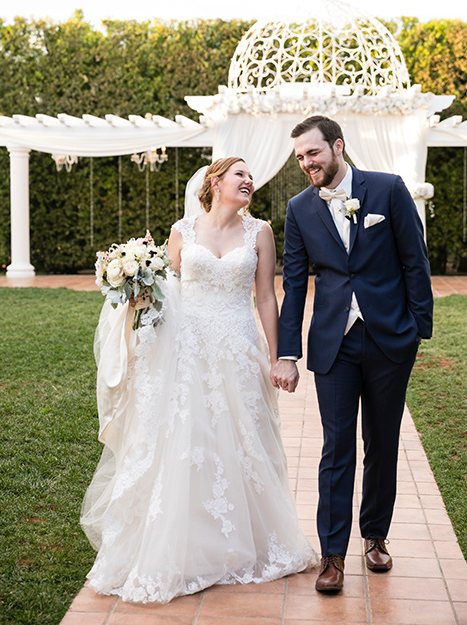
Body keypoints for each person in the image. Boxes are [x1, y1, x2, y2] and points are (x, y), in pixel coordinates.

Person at [81, 156, 318, 603]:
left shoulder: (260, 232)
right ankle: (189, 543)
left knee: (245, 439)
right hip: (187, 348)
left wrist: (277, 355)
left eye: (250, 176)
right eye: (240, 174)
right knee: (189, 440)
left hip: (239, 345)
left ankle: (245, 542)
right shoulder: (182, 230)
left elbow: (266, 296)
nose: (249, 181)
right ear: (216, 182)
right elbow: (167, 288)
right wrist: (138, 286)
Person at [272, 116, 433, 593]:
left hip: (390, 339)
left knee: (382, 444)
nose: (306, 163)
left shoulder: (387, 190)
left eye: (313, 153)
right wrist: (288, 352)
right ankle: (333, 555)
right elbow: (295, 283)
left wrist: (417, 329)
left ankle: (376, 537)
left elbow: (414, 260)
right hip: (334, 344)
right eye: (300, 157)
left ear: (337, 146)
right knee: (336, 448)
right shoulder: (299, 208)